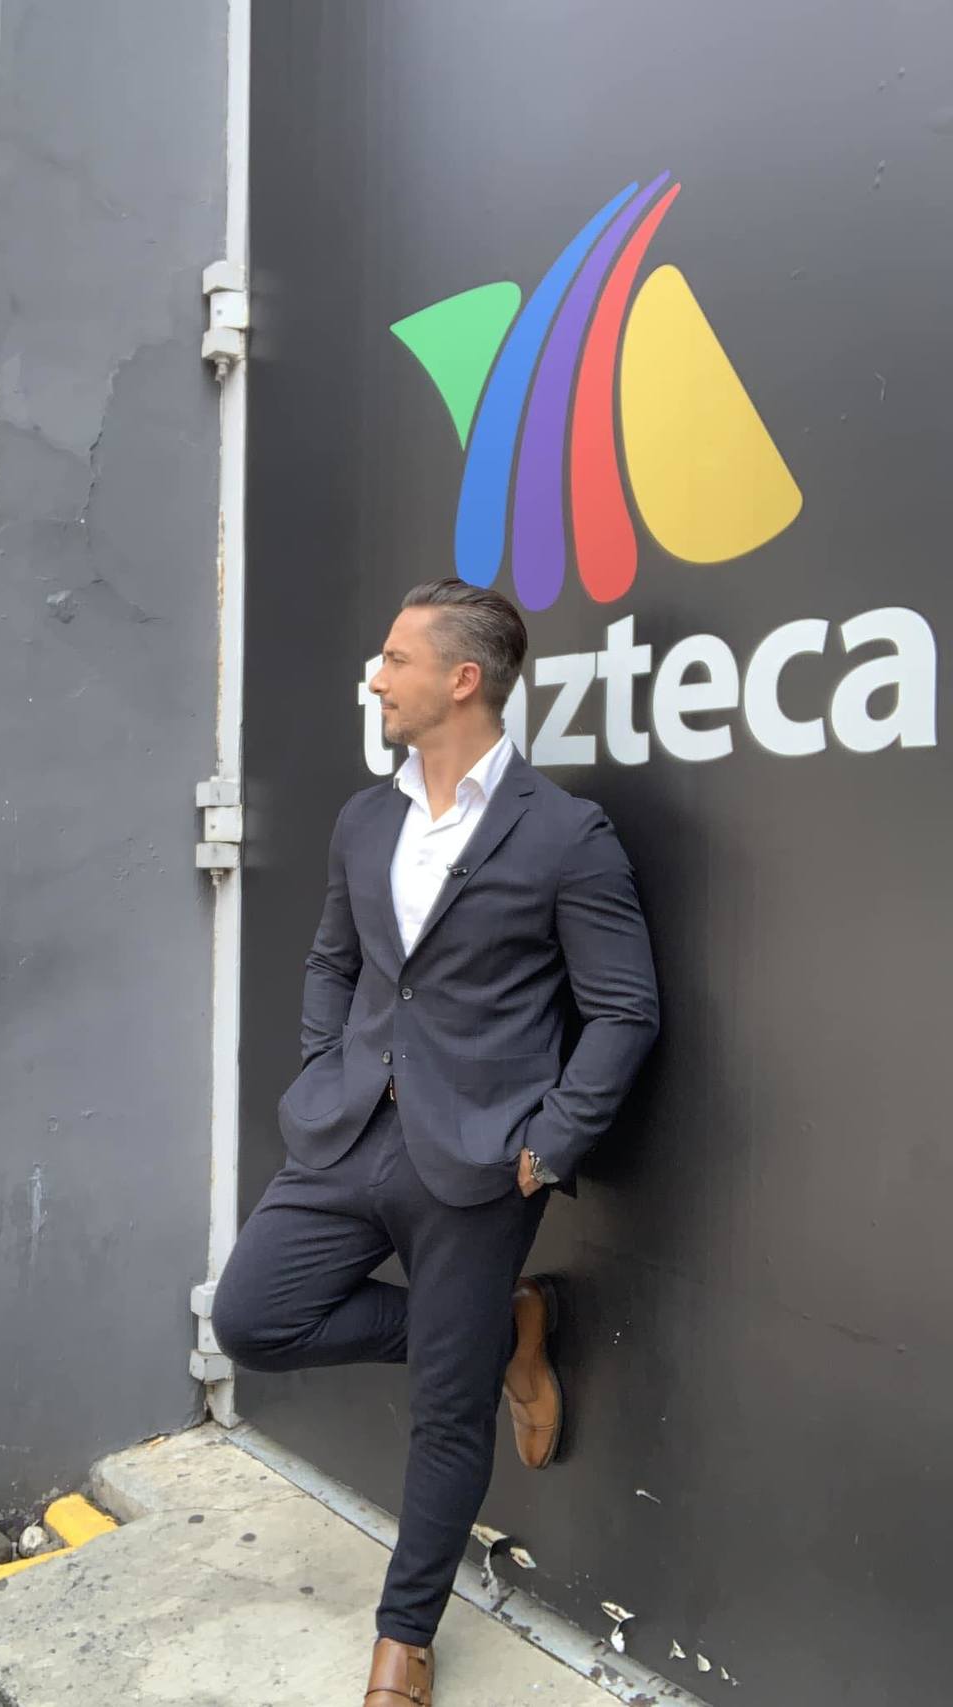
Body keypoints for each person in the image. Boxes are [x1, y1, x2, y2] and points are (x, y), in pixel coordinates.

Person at [212, 579, 659, 1707]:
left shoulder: (565, 835)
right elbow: (335, 960)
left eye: (395, 659)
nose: (375, 677)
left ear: (462, 679)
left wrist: (549, 1142)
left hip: (479, 1160)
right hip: (346, 1131)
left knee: (448, 1411)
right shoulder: (365, 820)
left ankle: (403, 1640)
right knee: (252, 1318)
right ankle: (504, 1331)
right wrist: (323, 1067)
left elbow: (624, 1010)